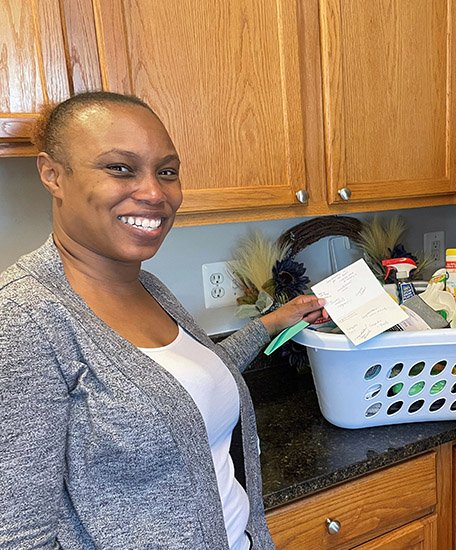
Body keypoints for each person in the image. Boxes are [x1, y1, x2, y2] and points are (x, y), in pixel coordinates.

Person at [0, 91, 328, 549]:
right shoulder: (25, 319)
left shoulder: (149, 287)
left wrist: (275, 321)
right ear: (52, 174)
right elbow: (18, 536)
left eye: (167, 171)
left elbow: (188, 381)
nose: (155, 192)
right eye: (120, 168)